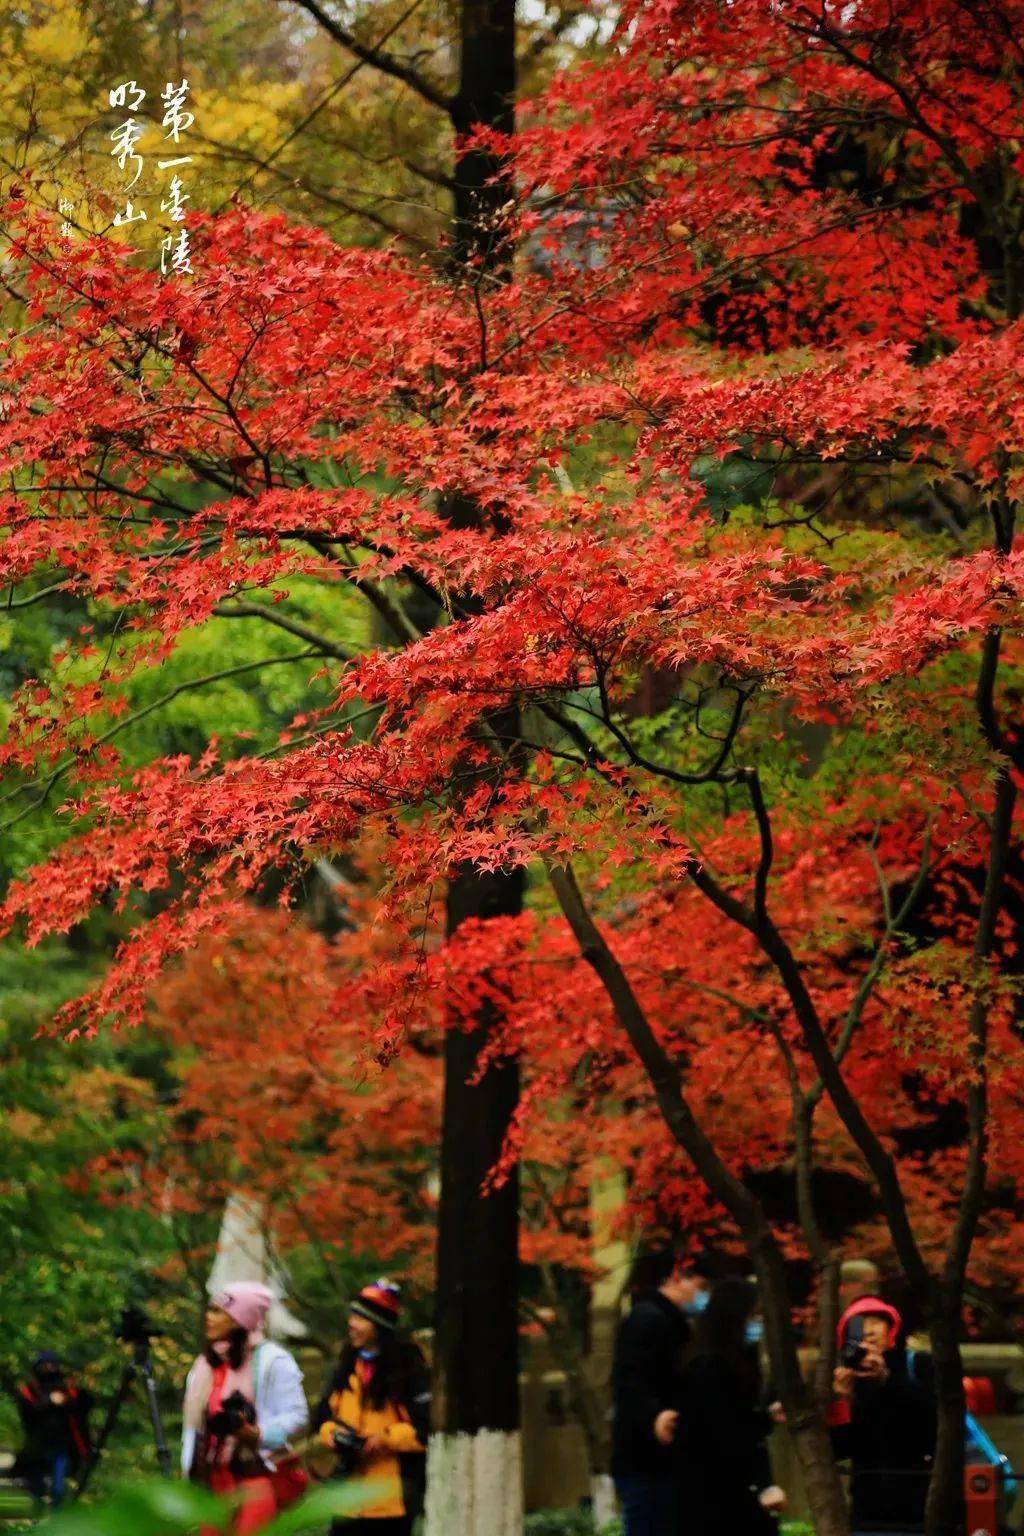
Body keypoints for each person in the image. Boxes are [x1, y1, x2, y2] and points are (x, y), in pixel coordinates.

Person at [182, 1281, 308, 1535]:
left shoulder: (273, 1360)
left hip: (254, 1479)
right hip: (212, 1483)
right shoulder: (206, 1364)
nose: (208, 1317)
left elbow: (297, 1416)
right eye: (210, 1309)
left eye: (218, 1311)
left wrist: (258, 1434)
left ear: (240, 1318)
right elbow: (194, 1429)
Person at [314, 1280, 430, 1536]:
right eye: (352, 1316)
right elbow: (322, 1417)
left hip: (391, 1500)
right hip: (347, 1496)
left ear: (380, 1325)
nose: (352, 1324)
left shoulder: (408, 1368)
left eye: (361, 1318)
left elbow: (428, 1428)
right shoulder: (345, 1364)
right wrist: (333, 1435)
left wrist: (386, 1439)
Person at [673, 1277, 785, 1535]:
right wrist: (761, 1485)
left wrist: (765, 1416)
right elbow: (726, 1434)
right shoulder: (709, 1369)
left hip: (725, 1497)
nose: (757, 1324)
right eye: (753, 1315)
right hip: (719, 1500)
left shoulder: (729, 1364)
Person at [610, 1245, 704, 1536]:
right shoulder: (649, 1319)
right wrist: (655, 1414)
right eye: (699, 1286)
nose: (700, 1295)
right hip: (648, 1460)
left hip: (654, 1460)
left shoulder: (664, 1321)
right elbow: (630, 1380)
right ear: (676, 1277)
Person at [829, 1297, 936, 1534]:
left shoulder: (918, 1365)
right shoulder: (847, 1378)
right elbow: (838, 1450)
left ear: (891, 1328)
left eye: (876, 1321)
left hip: (923, 1502)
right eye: (858, 1325)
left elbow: (932, 1425)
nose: (867, 1330)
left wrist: (887, 1381)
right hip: (868, 1508)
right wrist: (841, 1401)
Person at [13, 1351, 92, 1508]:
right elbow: (28, 1410)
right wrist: (49, 1401)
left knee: (58, 1489)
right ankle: (37, 1521)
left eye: (52, 1365)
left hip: (60, 1446)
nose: (49, 1369)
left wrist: (67, 1400)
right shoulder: (30, 1390)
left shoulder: (66, 1387)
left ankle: (56, 1523)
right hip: (37, 1447)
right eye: (45, 1366)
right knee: (36, 1489)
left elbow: (82, 1407)